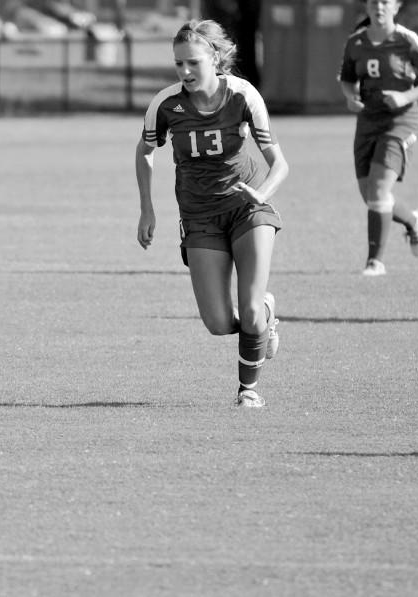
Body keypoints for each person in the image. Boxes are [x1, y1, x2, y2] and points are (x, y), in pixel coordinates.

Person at [135, 20, 288, 408]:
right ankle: (265, 316)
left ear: (215, 59)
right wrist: (147, 209)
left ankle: (248, 391)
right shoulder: (166, 104)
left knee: (250, 312)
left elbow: (280, 163)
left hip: (247, 209)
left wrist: (261, 194)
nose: (185, 72)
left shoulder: (242, 95)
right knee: (219, 323)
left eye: (193, 63)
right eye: (178, 64)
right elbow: (145, 151)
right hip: (200, 217)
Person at [338, 0, 418, 276]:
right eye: (374, 1)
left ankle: (374, 262)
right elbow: (347, 78)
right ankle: (414, 220)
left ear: (396, 7)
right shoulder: (355, 43)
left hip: (400, 122)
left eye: (385, 2)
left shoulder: (406, 41)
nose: (379, 7)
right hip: (367, 123)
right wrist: (350, 97)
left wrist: (405, 96)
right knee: (372, 196)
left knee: (378, 190)